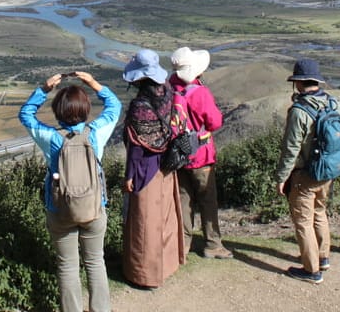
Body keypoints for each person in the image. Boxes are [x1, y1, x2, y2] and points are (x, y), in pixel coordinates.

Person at [19, 71, 121, 312]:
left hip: (60, 209)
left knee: (67, 267)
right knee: (96, 262)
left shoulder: (51, 138)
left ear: (58, 112)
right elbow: (114, 105)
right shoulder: (95, 133)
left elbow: (25, 114)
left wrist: (44, 88)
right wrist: (93, 83)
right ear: (85, 111)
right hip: (94, 208)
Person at [120, 49, 185, 288]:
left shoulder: (140, 106)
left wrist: (129, 176)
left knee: (144, 222)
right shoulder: (167, 92)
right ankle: (167, 265)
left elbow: (137, 147)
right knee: (164, 217)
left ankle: (144, 274)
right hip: (167, 165)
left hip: (145, 170)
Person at [275, 57, 340, 284]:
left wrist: (281, 177)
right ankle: (323, 257)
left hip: (305, 173)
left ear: (298, 83)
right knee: (319, 212)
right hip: (328, 170)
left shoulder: (299, 111)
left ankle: (311, 270)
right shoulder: (334, 104)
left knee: (302, 221)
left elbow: (291, 148)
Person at [168, 46, 231, 260]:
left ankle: (182, 245)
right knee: (207, 199)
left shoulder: (168, 88)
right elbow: (215, 121)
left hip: (176, 154)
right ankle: (212, 245)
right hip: (201, 155)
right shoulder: (199, 92)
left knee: (183, 200)